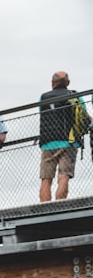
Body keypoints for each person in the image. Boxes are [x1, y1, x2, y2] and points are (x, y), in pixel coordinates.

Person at [38, 71, 90, 202]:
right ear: (67, 83)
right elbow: (85, 117)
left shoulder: (43, 98)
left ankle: (44, 208)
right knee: (64, 175)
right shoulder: (75, 96)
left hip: (47, 142)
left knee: (46, 178)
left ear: (52, 83)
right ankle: (59, 205)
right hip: (69, 142)